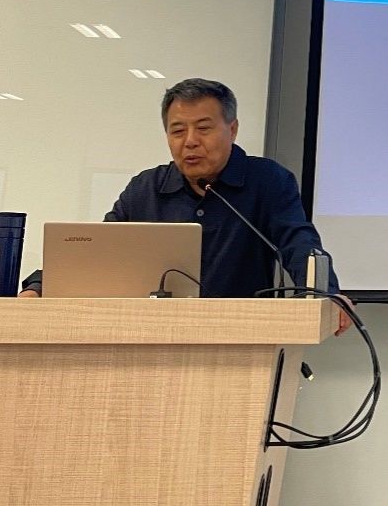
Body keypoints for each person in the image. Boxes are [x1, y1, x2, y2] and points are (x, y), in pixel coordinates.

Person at [20, 78, 352, 335]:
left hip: (242, 338)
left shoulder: (267, 181)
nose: (190, 141)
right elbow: (96, 254)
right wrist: (38, 287)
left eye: (203, 128)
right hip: (152, 339)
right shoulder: (146, 188)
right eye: (177, 130)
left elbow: (298, 242)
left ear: (233, 129)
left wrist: (327, 294)